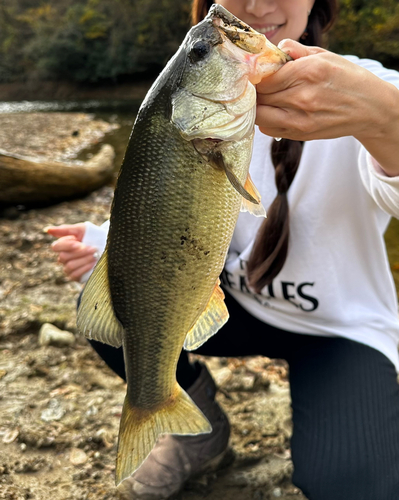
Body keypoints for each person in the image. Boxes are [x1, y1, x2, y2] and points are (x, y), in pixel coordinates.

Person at [47, 0, 399, 498]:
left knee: (353, 484)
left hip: (338, 330)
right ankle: (192, 422)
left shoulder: (376, 87)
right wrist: (107, 243)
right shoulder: (197, 106)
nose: (257, 5)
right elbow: (165, 203)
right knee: (114, 301)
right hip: (239, 301)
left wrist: (387, 120)